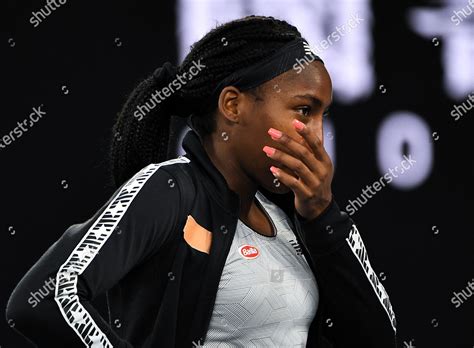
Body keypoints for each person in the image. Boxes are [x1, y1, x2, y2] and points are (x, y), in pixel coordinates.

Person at [6, 15, 397, 347]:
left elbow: (379, 339)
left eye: (322, 115)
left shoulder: (294, 218)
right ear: (233, 106)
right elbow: (43, 298)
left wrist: (323, 216)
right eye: (303, 109)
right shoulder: (171, 189)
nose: (316, 134)